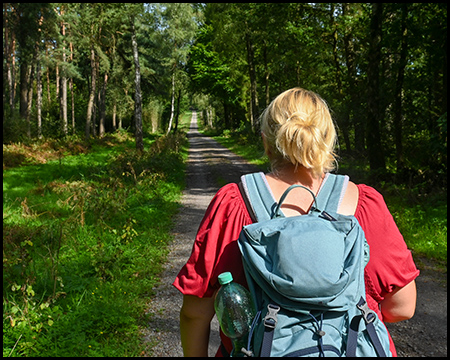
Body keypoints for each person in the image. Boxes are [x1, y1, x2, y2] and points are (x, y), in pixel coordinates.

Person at [173, 87, 419, 357]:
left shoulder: (234, 205)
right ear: (327, 141)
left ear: (267, 141)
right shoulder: (365, 206)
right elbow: (401, 308)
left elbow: (196, 313)